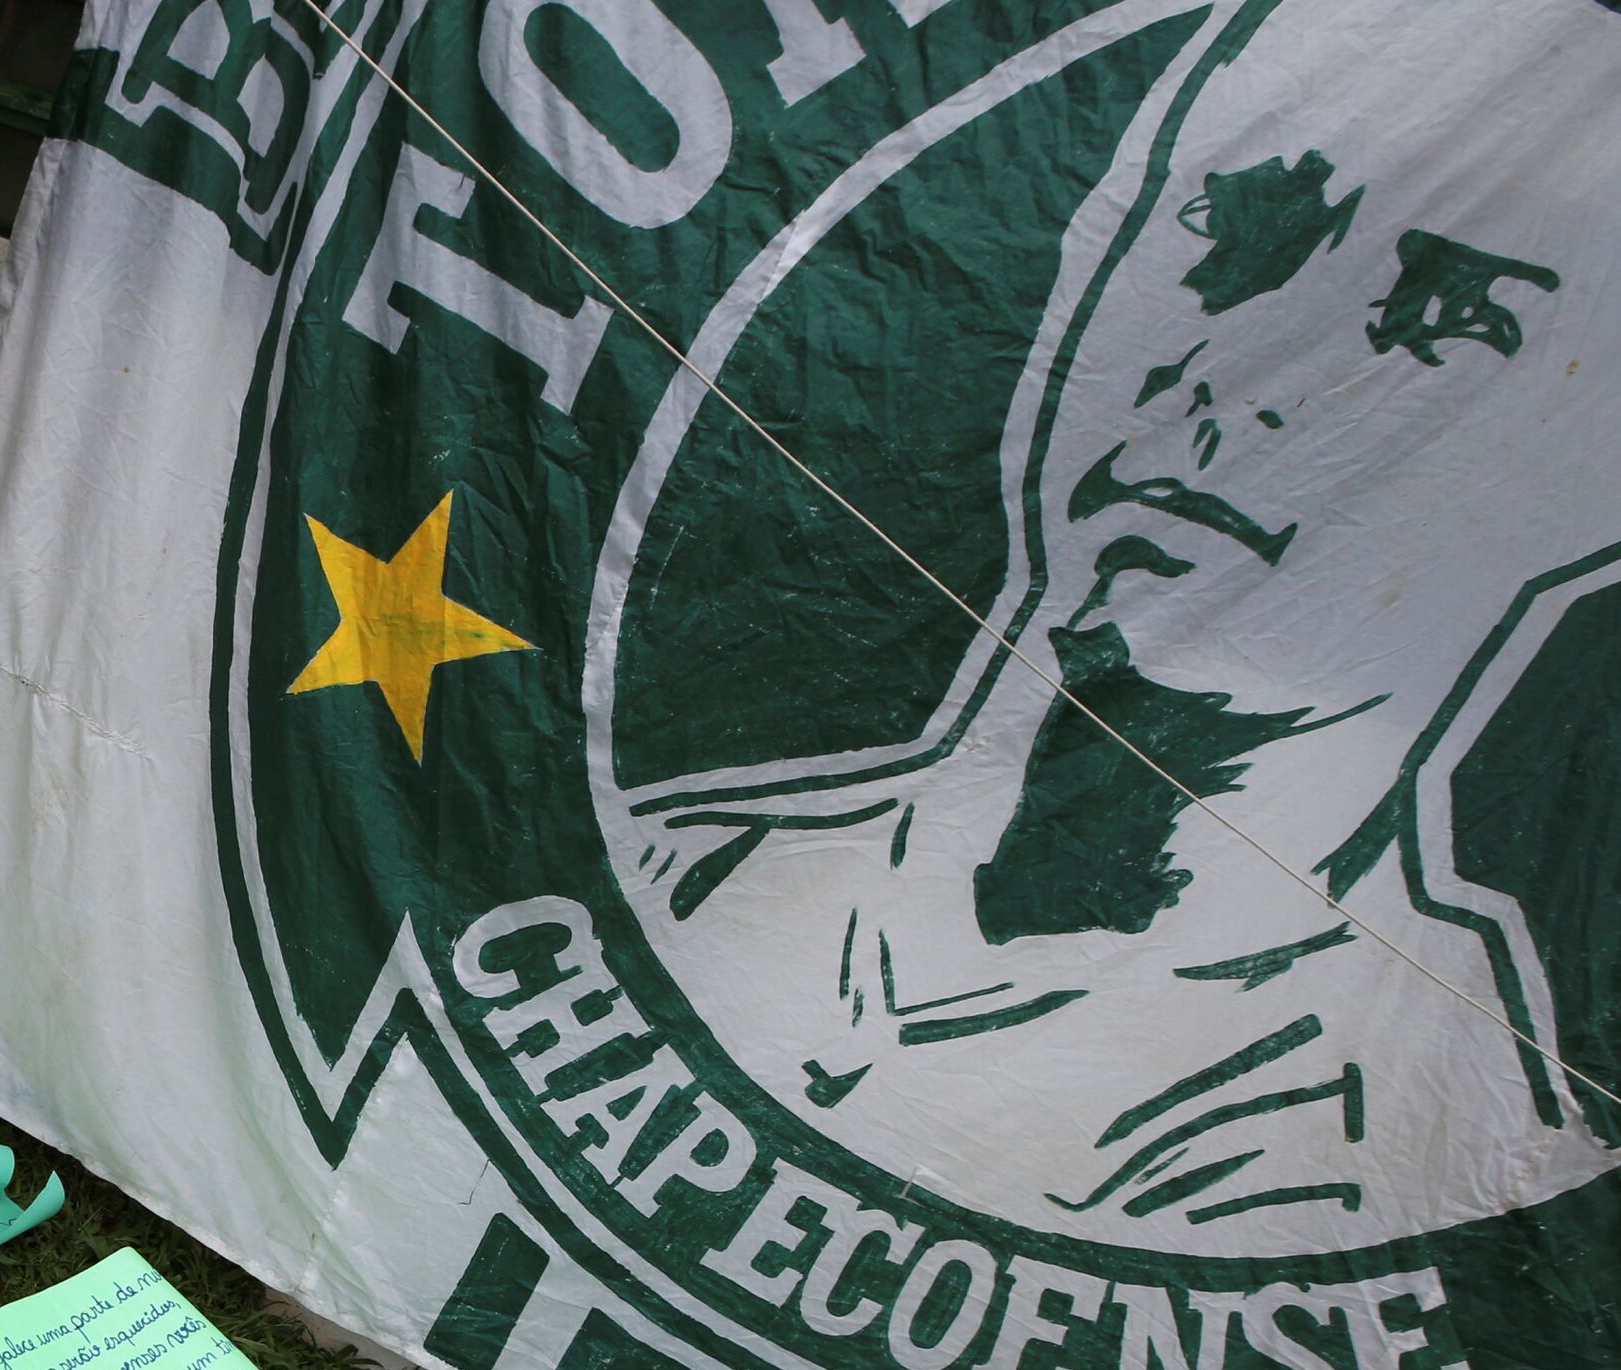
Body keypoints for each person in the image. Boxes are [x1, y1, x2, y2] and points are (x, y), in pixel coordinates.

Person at [609, 0, 1621, 1257]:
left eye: (1448, 319)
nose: (1245, 373)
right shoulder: (684, 867)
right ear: (1094, 263)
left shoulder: (1424, 1166)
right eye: (1237, 227)